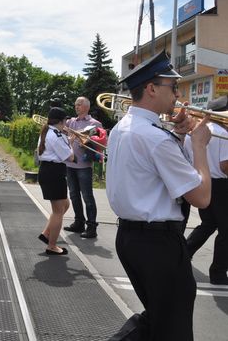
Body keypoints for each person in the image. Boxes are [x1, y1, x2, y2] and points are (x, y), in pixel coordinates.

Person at [106, 51, 211, 340]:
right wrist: (199, 145)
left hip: (132, 238)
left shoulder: (123, 128)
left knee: (158, 320)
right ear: (152, 89)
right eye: (173, 87)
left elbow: (149, 173)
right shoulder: (154, 137)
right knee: (172, 328)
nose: (177, 94)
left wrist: (179, 136)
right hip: (158, 243)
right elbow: (201, 197)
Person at [185, 95, 228, 285]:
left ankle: (184, 253)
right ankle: (218, 273)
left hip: (202, 181)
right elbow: (225, 166)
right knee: (226, 231)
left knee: (208, 223)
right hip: (221, 185)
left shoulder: (198, 130)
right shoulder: (224, 133)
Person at [36, 106, 74, 255]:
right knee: (58, 211)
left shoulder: (49, 132)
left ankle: (46, 233)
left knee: (65, 204)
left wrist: (67, 139)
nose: (66, 123)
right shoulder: (56, 135)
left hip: (49, 171)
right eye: (65, 120)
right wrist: (70, 142)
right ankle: (51, 246)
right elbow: (69, 157)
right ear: (61, 121)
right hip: (54, 173)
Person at [63, 96, 103, 238]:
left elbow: (100, 145)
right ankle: (79, 223)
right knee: (74, 195)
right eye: (75, 104)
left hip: (85, 165)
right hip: (70, 163)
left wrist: (87, 142)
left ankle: (91, 227)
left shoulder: (95, 123)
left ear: (86, 106)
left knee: (87, 196)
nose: (76, 106)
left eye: (79, 104)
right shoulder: (70, 122)